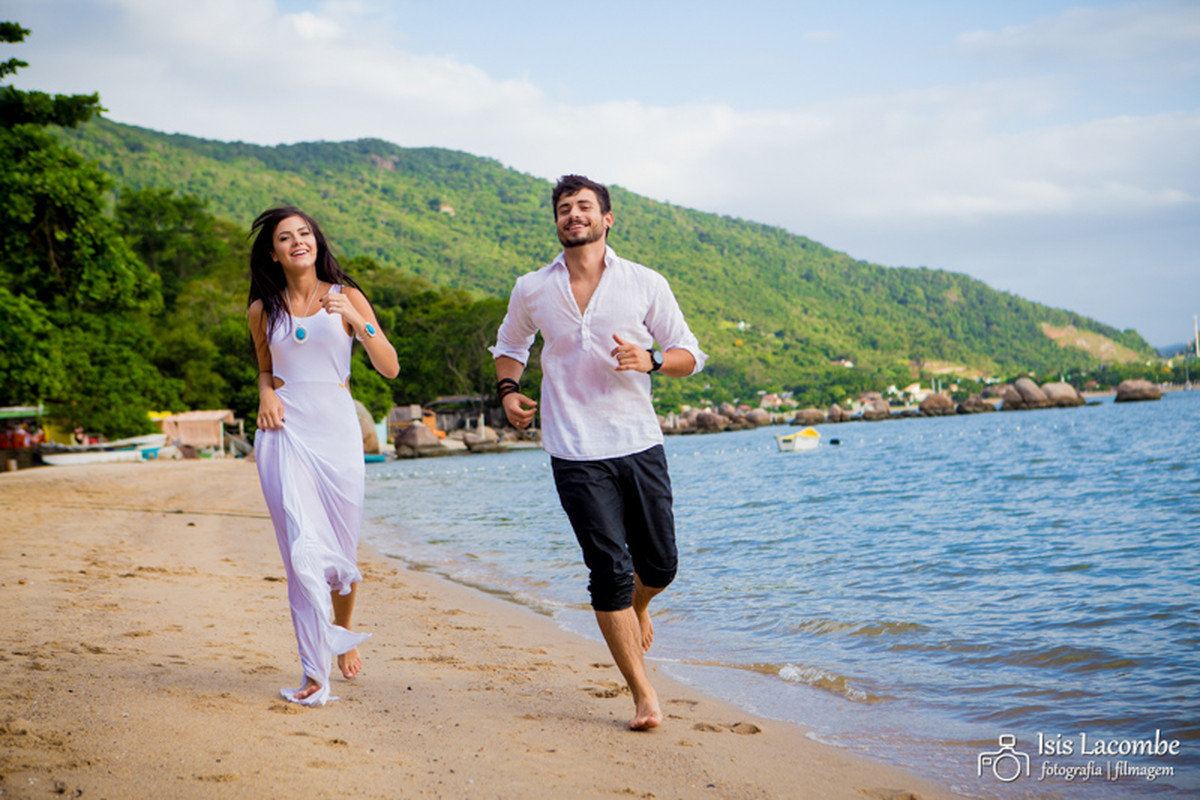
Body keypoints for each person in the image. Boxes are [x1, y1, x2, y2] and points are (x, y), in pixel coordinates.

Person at [490, 175, 706, 730]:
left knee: (661, 565)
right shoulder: (532, 288)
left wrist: (652, 360)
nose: (573, 214)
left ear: (607, 218)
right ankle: (643, 694)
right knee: (608, 569)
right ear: (556, 222)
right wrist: (509, 392)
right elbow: (510, 345)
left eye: (584, 206)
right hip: (573, 448)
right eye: (564, 208)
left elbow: (688, 353)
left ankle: (638, 605)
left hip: (638, 441)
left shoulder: (644, 282)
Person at [248, 206, 399, 706]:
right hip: (285, 434)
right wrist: (265, 394)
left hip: (337, 435)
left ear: (316, 242)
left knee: (342, 548)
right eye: (285, 237)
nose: (297, 241)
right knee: (301, 551)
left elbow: (390, 367)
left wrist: (358, 322)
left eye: (304, 233)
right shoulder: (263, 310)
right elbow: (265, 370)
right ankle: (314, 669)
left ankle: (343, 631)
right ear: (274, 253)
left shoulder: (347, 296)